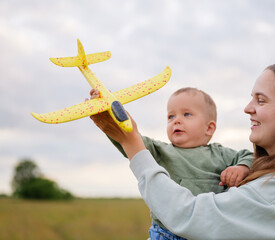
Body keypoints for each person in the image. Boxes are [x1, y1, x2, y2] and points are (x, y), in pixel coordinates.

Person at [90, 62, 275, 240]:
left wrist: (133, 144)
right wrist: (122, 135)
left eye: (260, 100)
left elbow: (192, 216)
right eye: (251, 98)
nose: (247, 108)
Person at [90, 87, 253, 239]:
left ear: (209, 128)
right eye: (171, 116)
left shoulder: (222, 154)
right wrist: (110, 112)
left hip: (207, 233)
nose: (176, 121)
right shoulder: (160, 150)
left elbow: (251, 156)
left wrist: (241, 167)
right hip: (165, 233)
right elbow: (128, 138)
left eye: (187, 114)